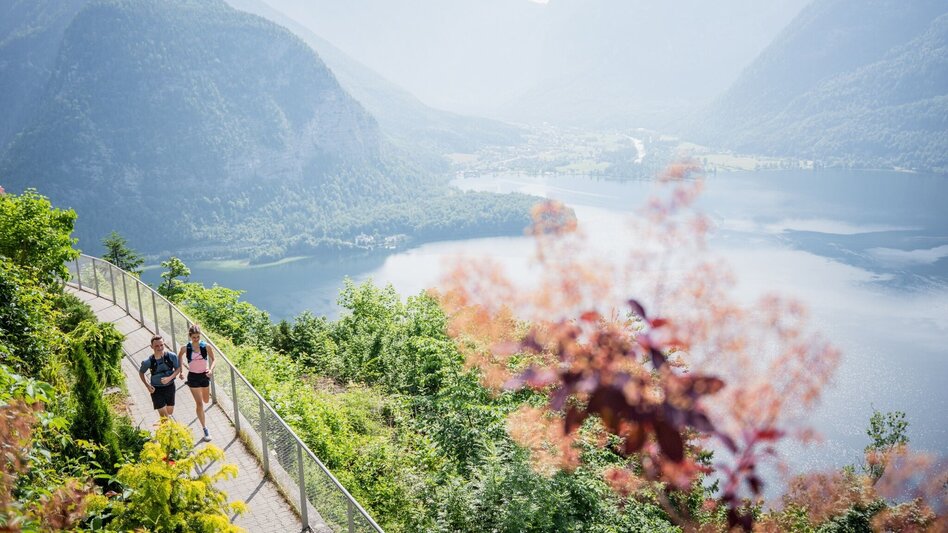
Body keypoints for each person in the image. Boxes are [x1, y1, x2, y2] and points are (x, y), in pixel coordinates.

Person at [179, 324, 215, 441]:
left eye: (198, 337)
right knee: (199, 404)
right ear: (190, 336)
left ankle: (202, 394)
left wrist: (210, 369)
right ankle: (205, 429)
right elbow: (179, 356)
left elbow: (214, 359)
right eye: (194, 337)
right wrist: (181, 371)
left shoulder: (206, 346)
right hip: (193, 377)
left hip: (204, 376)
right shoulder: (186, 348)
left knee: (206, 400)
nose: (196, 339)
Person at [138, 334, 180, 419]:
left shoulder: (172, 356)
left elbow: (178, 369)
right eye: (156, 346)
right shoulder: (148, 361)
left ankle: (166, 428)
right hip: (156, 390)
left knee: (169, 412)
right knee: (164, 417)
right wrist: (147, 386)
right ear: (152, 347)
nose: (160, 347)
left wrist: (169, 378)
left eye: (161, 345)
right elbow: (141, 372)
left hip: (170, 387)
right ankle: (166, 431)